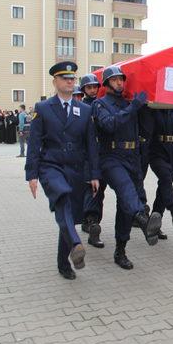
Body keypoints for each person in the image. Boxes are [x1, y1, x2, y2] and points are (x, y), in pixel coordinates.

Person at [25, 61, 100, 280]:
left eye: (72, 78)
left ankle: (63, 263)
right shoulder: (43, 109)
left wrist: (94, 174)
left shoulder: (84, 110)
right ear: (55, 82)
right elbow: (34, 143)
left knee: (67, 215)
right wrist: (32, 175)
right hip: (51, 167)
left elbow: (91, 145)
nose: (69, 81)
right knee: (63, 199)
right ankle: (76, 244)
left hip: (75, 170)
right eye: (64, 78)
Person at [93, 65, 162, 270]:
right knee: (126, 189)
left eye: (121, 79)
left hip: (132, 157)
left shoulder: (130, 103)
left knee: (125, 205)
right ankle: (143, 218)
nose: (119, 83)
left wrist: (146, 105)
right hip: (111, 157)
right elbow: (109, 125)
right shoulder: (100, 104)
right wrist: (133, 107)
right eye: (114, 80)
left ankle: (120, 249)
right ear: (106, 84)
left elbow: (145, 129)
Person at [148, 108, 173, 239]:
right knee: (165, 178)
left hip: (172, 153)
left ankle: (154, 224)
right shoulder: (154, 110)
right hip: (156, 151)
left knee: (164, 188)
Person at [79, 73, 106, 248]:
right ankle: (91, 222)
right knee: (91, 189)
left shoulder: (102, 105)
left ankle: (93, 221)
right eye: (89, 87)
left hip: (102, 154)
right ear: (83, 90)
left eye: (95, 87)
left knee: (100, 190)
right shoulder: (80, 107)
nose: (93, 90)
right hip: (87, 155)